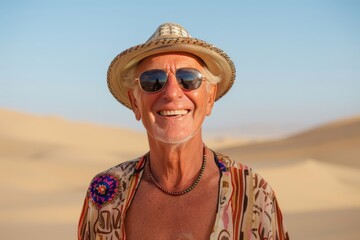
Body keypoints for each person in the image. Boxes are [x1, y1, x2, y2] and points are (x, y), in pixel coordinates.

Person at [78, 23, 289, 240]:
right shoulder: (104, 194)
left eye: (188, 79)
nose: (171, 93)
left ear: (209, 98)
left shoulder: (253, 192)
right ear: (135, 102)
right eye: (153, 80)